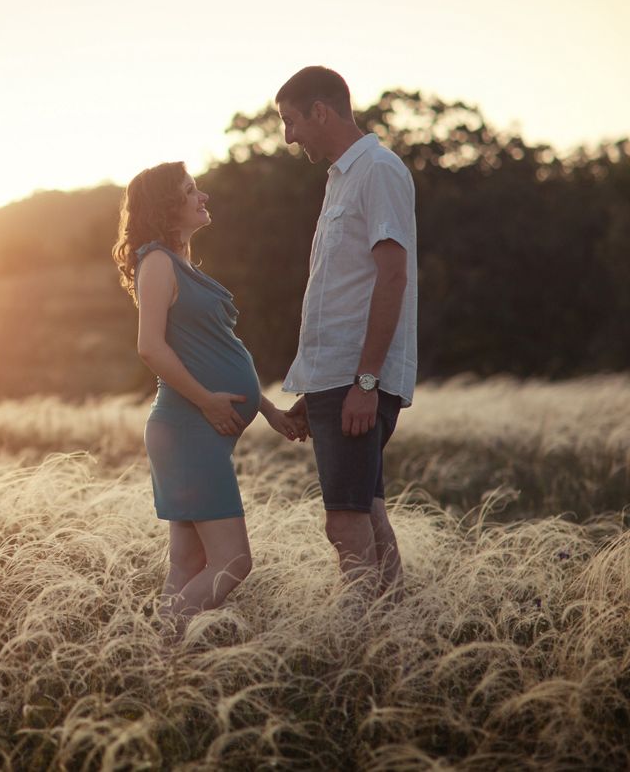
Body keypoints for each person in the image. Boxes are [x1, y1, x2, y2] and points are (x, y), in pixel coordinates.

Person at [112, 161, 303, 635]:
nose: (204, 197)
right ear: (167, 206)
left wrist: (266, 408)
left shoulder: (181, 265)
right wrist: (206, 402)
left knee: (187, 564)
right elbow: (149, 347)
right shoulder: (156, 262)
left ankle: (165, 670)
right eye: (192, 190)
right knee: (234, 561)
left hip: (197, 430)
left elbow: (219, 351)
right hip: (185, 429)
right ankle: (158, 648)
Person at [275, 66, 418, 603]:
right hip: (334, 379)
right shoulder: (341, 179)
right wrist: (313, 391)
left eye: (291, 121)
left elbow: (393, 275)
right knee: (368, 512)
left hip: (357, 379)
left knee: (346, 525)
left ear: (321, 111)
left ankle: (357, 651)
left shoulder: (377, 170)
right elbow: (338, 293)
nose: (289, 136)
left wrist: (365, 380)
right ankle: (398, 637)